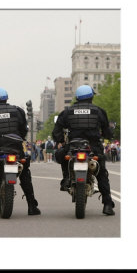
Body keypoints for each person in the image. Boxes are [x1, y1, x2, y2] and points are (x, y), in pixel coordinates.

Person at [52, 85, 115, 215]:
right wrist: (107, 135)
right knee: (102, 174)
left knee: (62, 157)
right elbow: (107, 131)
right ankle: (107, 204)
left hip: (73, 146)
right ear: (91, 96)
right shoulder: (99, 111)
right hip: (93, 147)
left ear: (77, 97)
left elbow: (56, 131)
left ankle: (67, 179)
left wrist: (61, 141)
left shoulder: (67, 111)